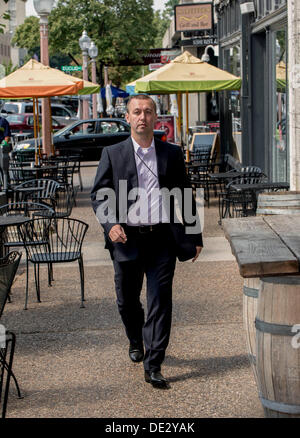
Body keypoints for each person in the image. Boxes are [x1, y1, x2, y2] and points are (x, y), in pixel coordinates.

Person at [91, 94, 203, 389]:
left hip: (162, 240)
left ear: (156, 117)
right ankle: (134, 338)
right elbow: (100, 194)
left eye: (148, 112)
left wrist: (195, 235)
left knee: (160, 303)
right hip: (126, 241)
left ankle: (154, 365)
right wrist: (110, 224)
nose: (142, 117)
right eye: (137, 112)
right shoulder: (113, 154)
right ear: (127, 118)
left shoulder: (171, 153)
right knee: (127, 301)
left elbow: (185, 194)